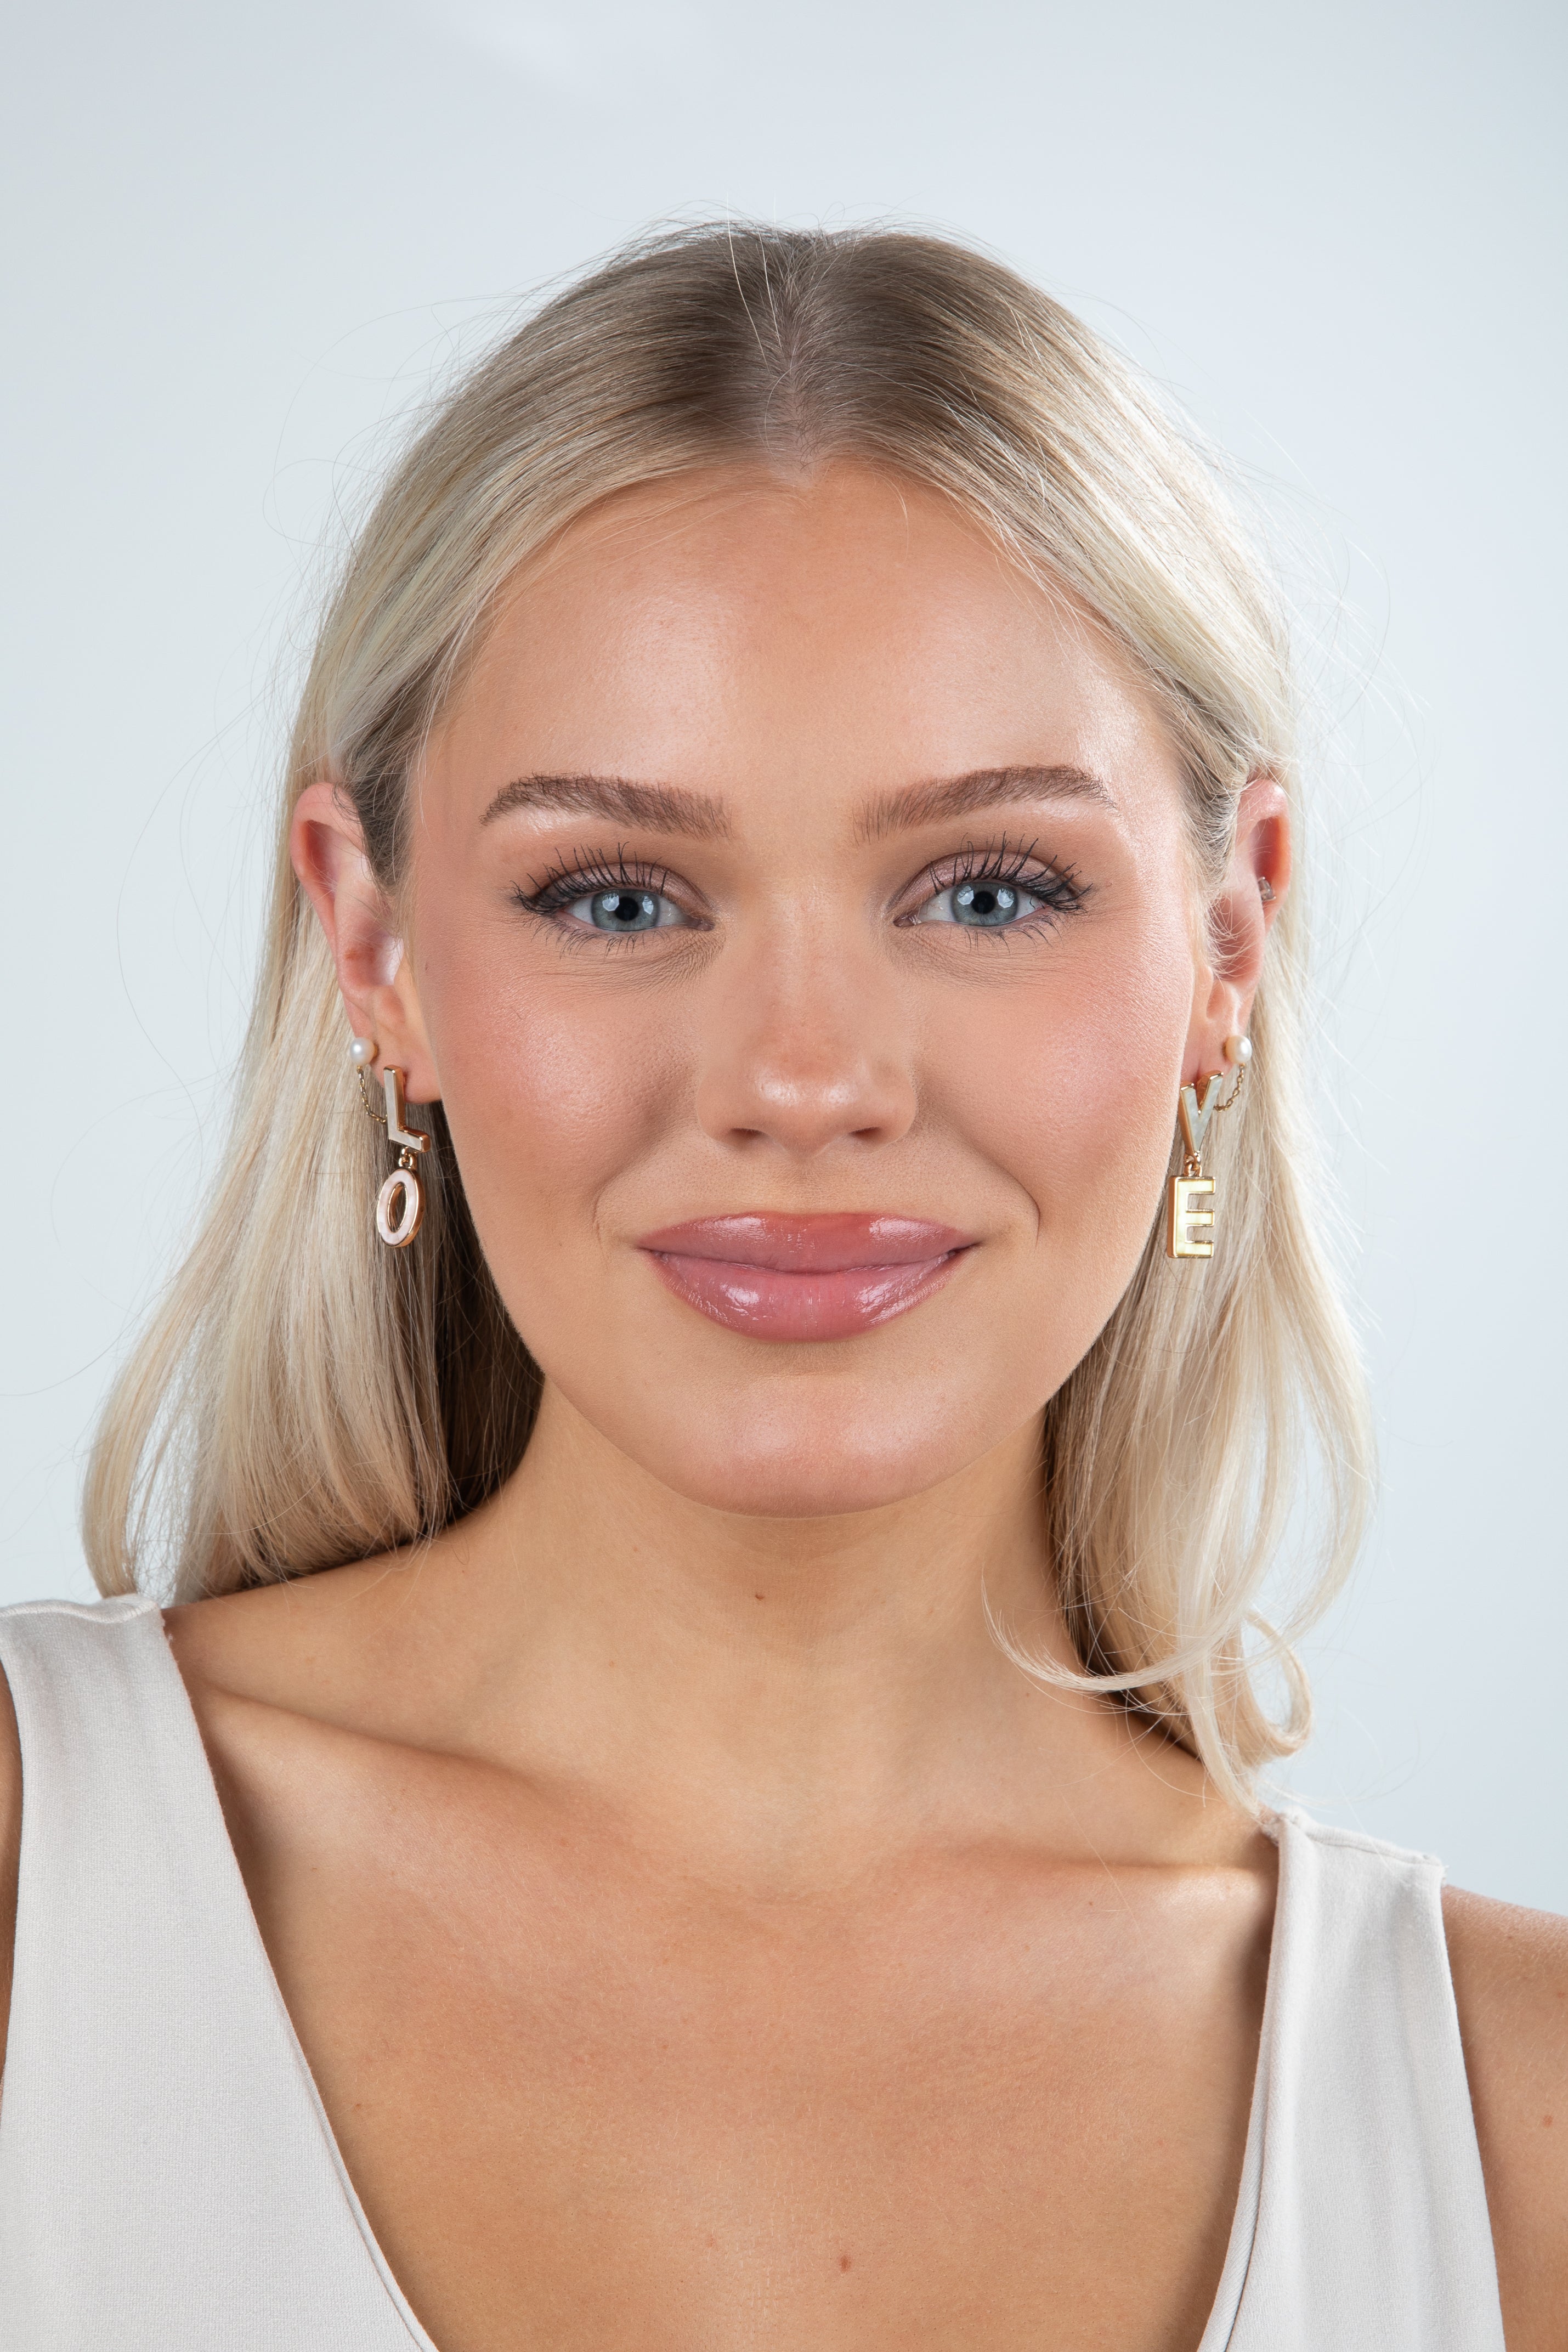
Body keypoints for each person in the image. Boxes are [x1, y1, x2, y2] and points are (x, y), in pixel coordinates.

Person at [0, 223, 1562, 2352]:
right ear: (374, 950)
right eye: (618, 896)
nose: (808, 1082)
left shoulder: (1522, 2122)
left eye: (988, 890)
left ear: (1229, 942)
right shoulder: (40, 1877)